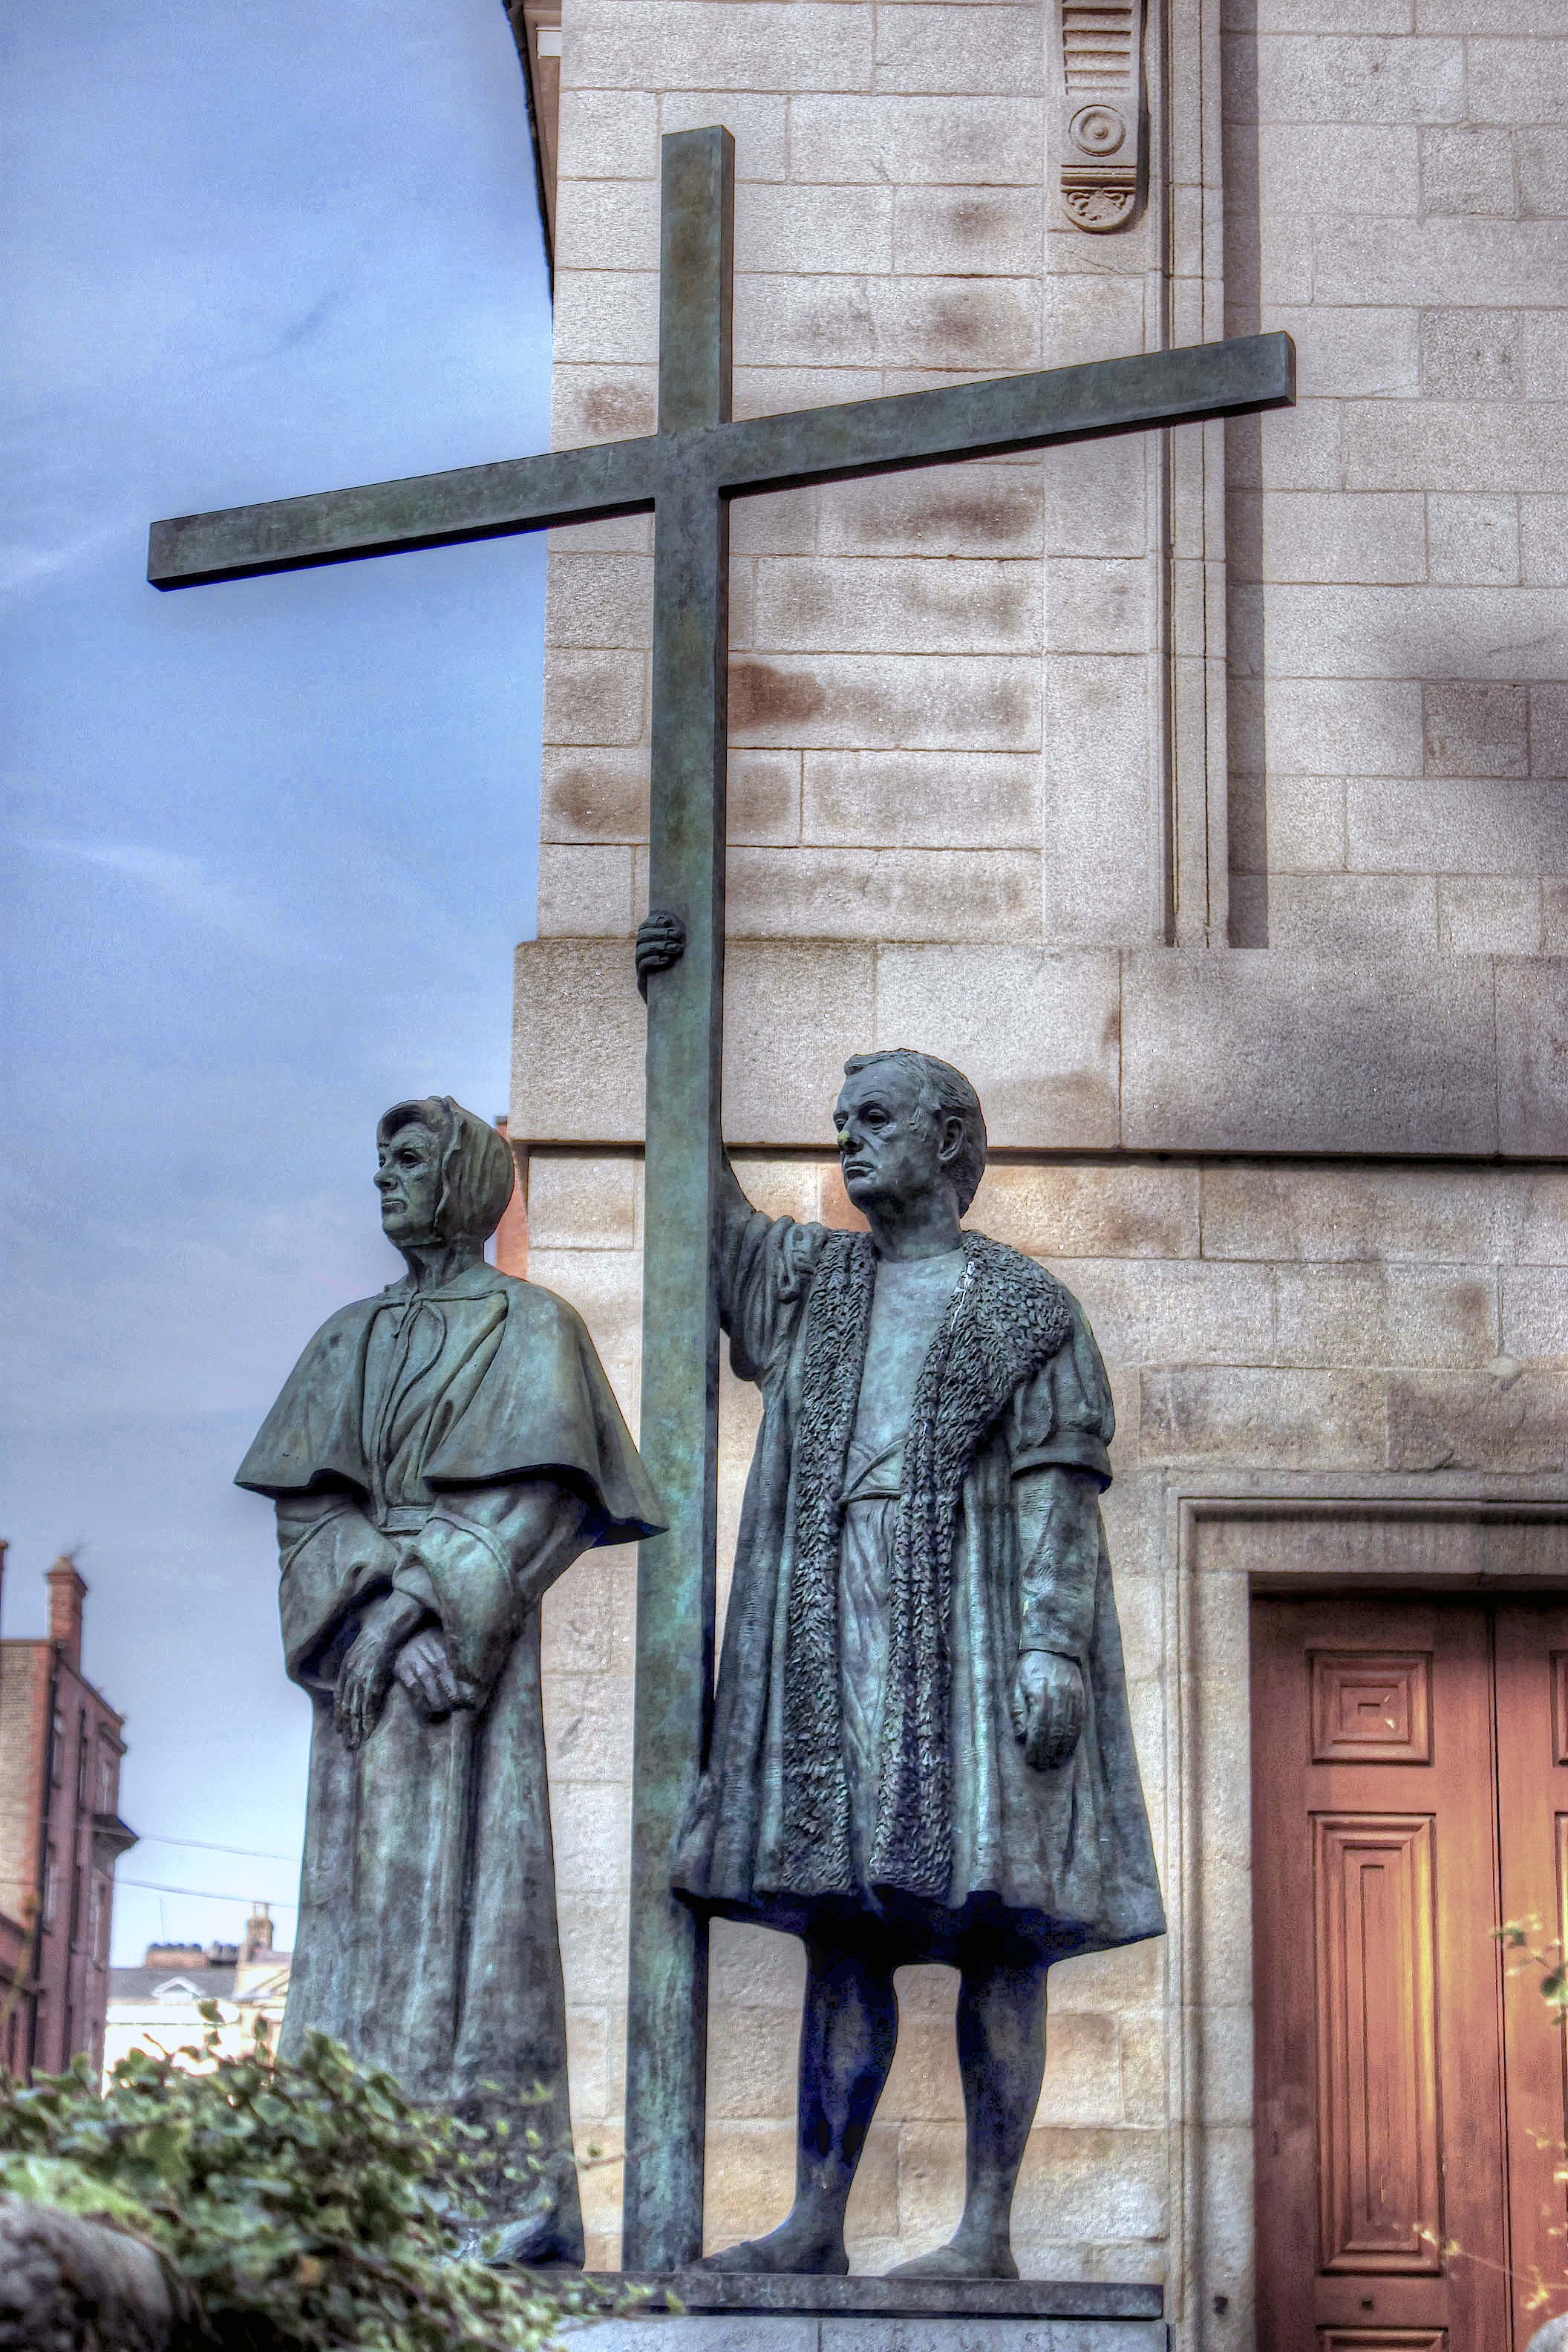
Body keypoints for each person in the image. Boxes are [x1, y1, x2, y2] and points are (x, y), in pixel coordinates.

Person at [657, 1016, 1164, 2279]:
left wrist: (1054, 1650)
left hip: (977, 1635)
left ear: (949, 1141)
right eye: (845, 1123)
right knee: (843, 1928)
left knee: (1006, 1927)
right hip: (836, 1634)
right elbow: (705, 1222)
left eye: (874, 1120)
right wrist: (679, 1022)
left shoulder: (1027, 1308)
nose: (847, 1142)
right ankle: (816, 2220)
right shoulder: (816, 1282)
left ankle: (984, 2234)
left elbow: (1058, 1489)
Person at [237, 1096, 664, 2265]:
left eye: (411, 1158)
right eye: (380, 1158)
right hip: (370, 1699)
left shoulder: (536, 1328)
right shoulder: (342, 1339)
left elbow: (549, 1500)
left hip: (467, 1687)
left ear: (467, 1182)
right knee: (355, 1929)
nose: (386, 1176)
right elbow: (307, 1514)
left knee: (484, 1924)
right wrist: (377, 1619)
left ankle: (484, 2195)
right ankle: (341, 2183)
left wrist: (429, 1608)